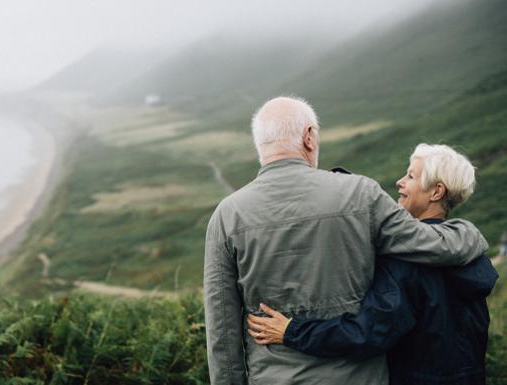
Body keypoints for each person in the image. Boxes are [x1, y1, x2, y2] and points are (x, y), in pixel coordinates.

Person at [203, 97, 488, 385]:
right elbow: (432, 245)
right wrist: (470, 233)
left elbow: (222, 330)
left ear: (260, 145)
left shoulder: (226, 216)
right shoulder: (361, 194)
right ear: (309, 137)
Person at [246, 144, 498, 385]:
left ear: (436, 192)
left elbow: (367, 334)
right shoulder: (470, 255)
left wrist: (291, 331)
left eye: (410, 176)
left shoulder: (408, 262)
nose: (400, 182)